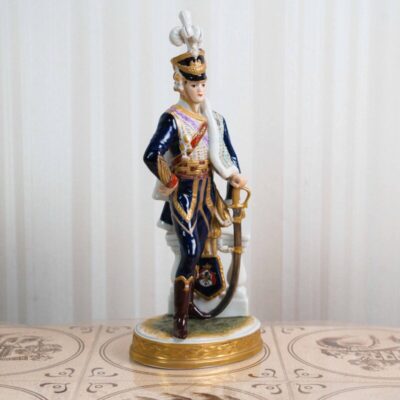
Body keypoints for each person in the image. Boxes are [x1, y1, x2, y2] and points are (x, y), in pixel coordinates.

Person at [143, 27, 246, 339]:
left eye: (202, 83)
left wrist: (234, 176)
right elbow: (152, 155)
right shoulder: (173, 119)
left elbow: (227, 152)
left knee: (204, 247)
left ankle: (190, 305)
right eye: (193, 84)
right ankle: (180, 317)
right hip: (185, 193)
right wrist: (171, 180)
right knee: (189, 250)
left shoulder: (216, 119)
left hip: (208, 191)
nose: (199, 89)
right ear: (180, 84)